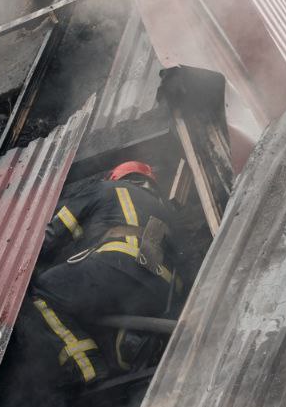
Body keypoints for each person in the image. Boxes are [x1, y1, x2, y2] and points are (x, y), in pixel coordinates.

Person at [14, 160, 182, 386]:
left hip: (118, 264)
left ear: (115, 178)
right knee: (103, 302)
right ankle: (132, 344)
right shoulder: (167, 212)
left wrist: (21, 265)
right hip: (163, 289)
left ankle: (87, 367)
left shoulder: (105, 189)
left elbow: (54, 234)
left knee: (43, 290)